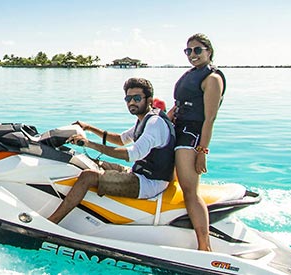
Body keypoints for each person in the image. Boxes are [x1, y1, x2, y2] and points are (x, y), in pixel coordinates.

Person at [47, 78, 177, 224]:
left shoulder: (154, 123)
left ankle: (52, 222)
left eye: (137, 98)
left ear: (149, 100)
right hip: (138, 173)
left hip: (150, 183)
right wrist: (89, 128)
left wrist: (90, 144)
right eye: (128, 98)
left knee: (88, 176)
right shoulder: (144, 119)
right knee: (88, 162)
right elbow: (121, 139)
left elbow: (132, 154)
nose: (132, 102)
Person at [168, 33, 226, 252]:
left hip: (191, 137)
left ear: (208, 51)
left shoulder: (212, 78)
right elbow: (178, 105)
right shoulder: (191, 74)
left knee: (190, 191)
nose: (192, 54)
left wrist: (202, 150)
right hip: (177, 131)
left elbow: (210, 118)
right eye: (188, 51)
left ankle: (205, 247)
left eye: (197, 50)